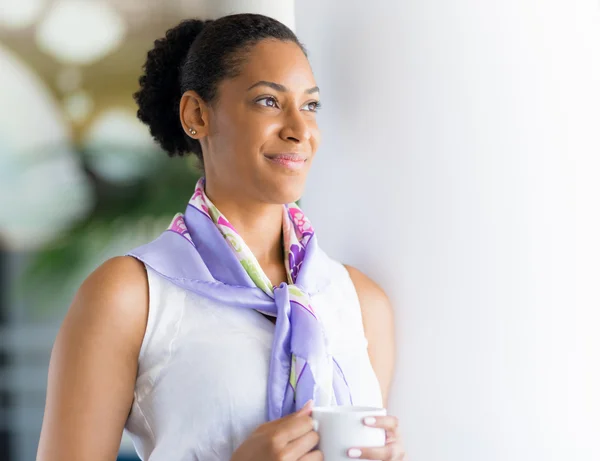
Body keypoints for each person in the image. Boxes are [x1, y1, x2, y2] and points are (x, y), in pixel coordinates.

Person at [36, 13, 405, 461]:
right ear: (197, 114)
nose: (299, 130)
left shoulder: (360, 303)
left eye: (310, 105)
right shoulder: (130, 296)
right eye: (269, 101)